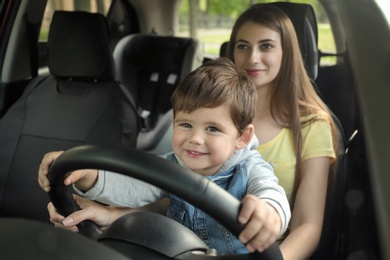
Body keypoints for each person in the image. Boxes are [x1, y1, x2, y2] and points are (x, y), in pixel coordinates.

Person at [38, 57, 291, 255]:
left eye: (212, 128)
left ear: (242, 138)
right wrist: (84, 173)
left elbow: (271, 193)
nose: (195, 138)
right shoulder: (172, 166)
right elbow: (130, 185)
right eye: (185, 125)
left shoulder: (249, 169)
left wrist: (267, 212)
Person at [225, 4, 338, 260]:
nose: (252, 58)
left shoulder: (312, 125)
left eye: (266, 46)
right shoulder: (216, 114)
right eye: (243, 46)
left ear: (286, 53)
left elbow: (307, 227)